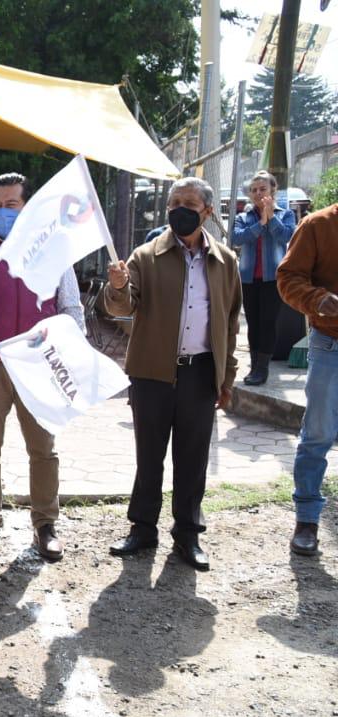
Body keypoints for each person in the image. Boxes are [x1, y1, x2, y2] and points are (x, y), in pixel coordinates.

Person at [105, 177, 242, 571]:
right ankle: (142, 529)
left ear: (208, 212)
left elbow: (230, 324)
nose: (180, 208)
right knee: (149, 456)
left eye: (189, 202)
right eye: (174, 202)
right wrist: (117, 287)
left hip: (200, 374)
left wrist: (226, 378)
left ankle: (187, 535)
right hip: (151, 373)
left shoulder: (225, 262)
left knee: (192, 458)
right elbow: (121, 307)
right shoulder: (146, 256)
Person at [0, 174, 85, 561]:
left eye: (11, 204)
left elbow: (71, 307)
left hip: (39, 367)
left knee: (43, 449)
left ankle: (45, 523)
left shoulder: (53, 249)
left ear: (27, 208)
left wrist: (69, 349)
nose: (2, 212)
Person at [278, 202, 338, 556]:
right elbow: (287, 278)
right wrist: (318, 299)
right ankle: (307, 519)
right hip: (329, 342)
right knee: (317, 434)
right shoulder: (317, 225)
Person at [231, 171, 297, 386]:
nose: (258, 193)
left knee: (268, 323)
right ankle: (253, 365)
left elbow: (287, 236)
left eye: (263, 189)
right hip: (249, 279)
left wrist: (272, 218)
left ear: (272, 191)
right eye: (254, 190)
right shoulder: (243, 217)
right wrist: (261, 222)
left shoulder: (285, 214)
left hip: (273, 278)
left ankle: (262, 369)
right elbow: (237, 238)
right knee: (253, 323)